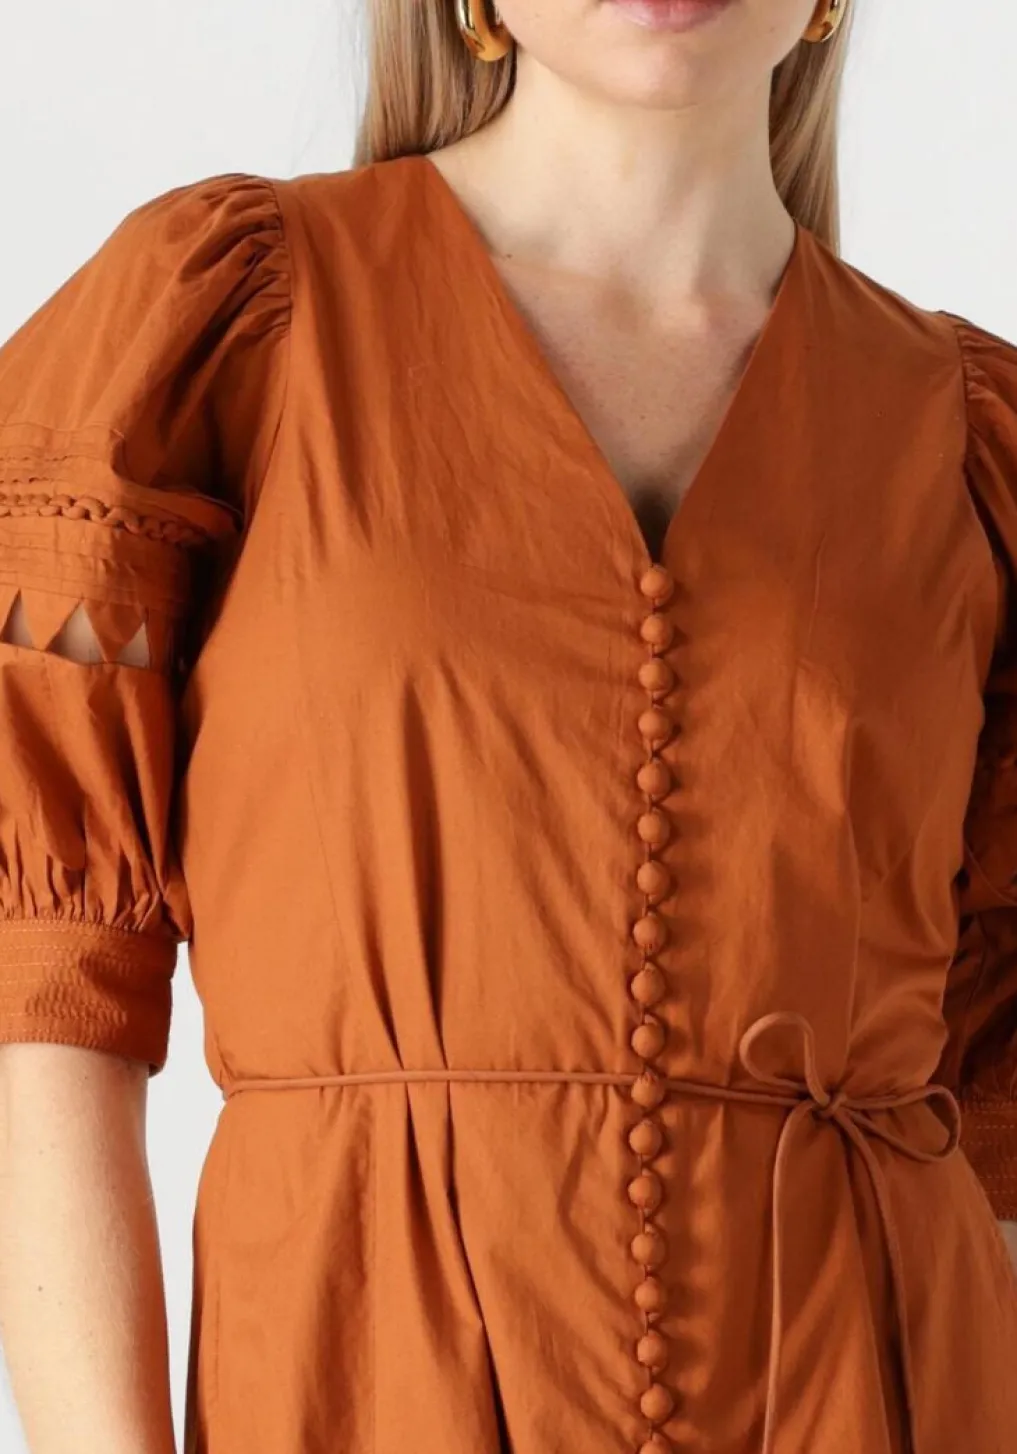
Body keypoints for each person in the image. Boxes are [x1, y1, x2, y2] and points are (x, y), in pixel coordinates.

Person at [0, 0, 1016, 1450]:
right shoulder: (228, 331)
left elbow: (995, 1115)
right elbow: (45, 990)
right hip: (358, 1387)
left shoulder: (970, 445)